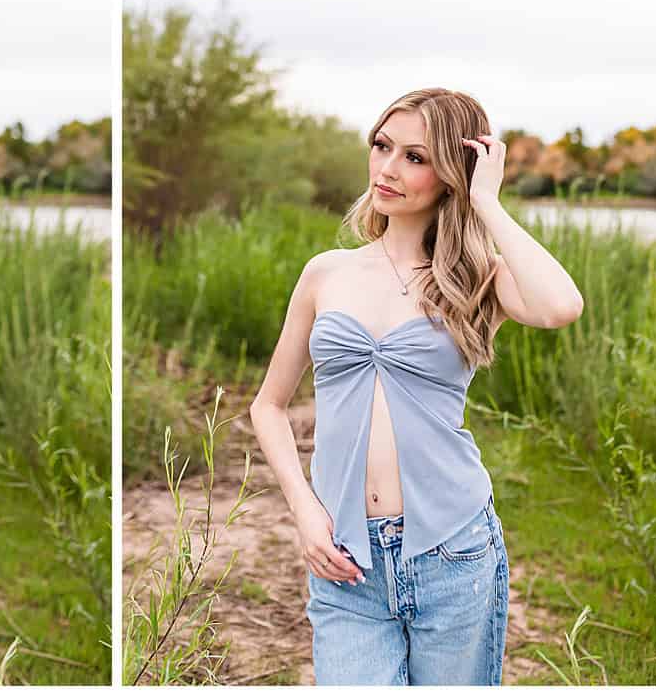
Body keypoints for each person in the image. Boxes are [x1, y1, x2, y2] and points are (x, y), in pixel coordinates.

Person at [249, 88, 583, 685]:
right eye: (382, 146)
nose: (388, 169)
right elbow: (269, 407)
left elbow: (561, 306)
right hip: (345, 557)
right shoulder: (327, 273)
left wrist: (487, 203)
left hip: (454, 550)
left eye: (415, 157)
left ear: (453, 174)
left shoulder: (475, 278)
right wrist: (304, 510)